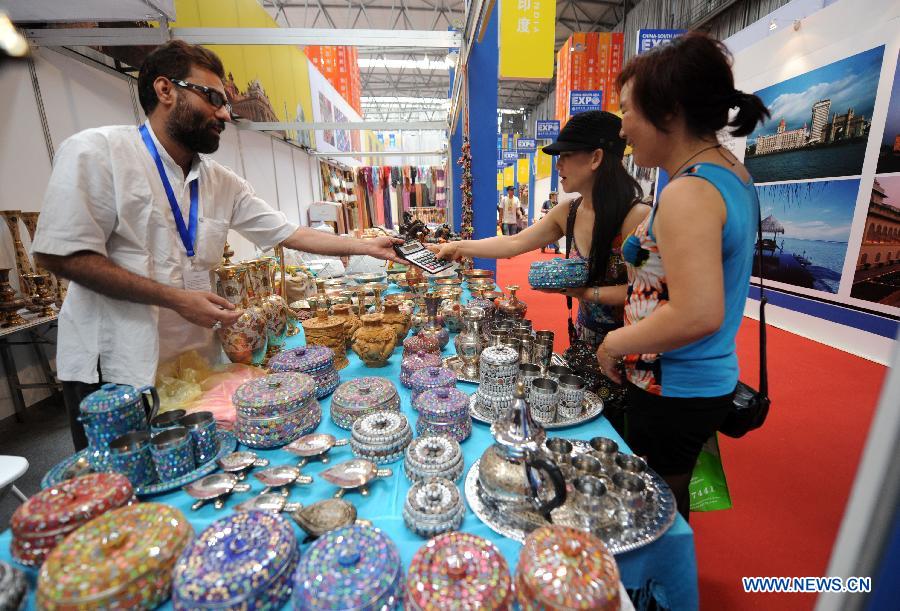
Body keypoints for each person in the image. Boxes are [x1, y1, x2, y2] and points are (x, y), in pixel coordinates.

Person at [32, 40, 402, 451]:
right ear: (165, 90)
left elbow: (288, 233)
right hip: (115, 370)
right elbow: (60, 254)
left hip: (195, 365)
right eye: (212, 98)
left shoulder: (221, 182)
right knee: (122, 492)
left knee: (196, 475)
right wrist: (176, 299)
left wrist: (366, 246)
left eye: (226, 103)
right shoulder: (98, 153)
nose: (225, 113)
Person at [595, 31, 770, 520]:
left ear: (668, 111)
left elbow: (696, 312)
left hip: (674, 384)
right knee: (665, 496)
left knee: (659, 508)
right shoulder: (727, 173)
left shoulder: (690, 193)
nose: (623, 129)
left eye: (628, 111)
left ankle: (660, 592)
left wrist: (614, 344)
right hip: (688, 380)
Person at [429, 111, 649, 429]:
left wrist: (587, 293)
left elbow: (647, 296)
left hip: (628, 351)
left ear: (596, 158)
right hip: (584, 348)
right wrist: (458, 247)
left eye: (566, 155)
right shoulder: (568, 212)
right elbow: (513, 243)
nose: (557, 165)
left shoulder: (637, 219)